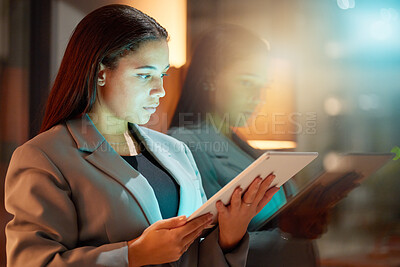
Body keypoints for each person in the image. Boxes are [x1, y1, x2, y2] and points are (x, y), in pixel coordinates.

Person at [4, 5, 280, 267]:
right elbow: (32, 262)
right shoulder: (44, 157)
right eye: (145, 76)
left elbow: (194, 255)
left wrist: (229, 237)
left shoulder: (176, 151)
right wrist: (132, 255)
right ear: (101, 72)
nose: (160, 90)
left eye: (162, 75)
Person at [169, 25, 327, 266]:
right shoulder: (184, 145)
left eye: (264, 86)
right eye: (246, 82)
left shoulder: (246, 148)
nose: (258, 97)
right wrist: (290, 232)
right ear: (210, 80)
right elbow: (199, 242)